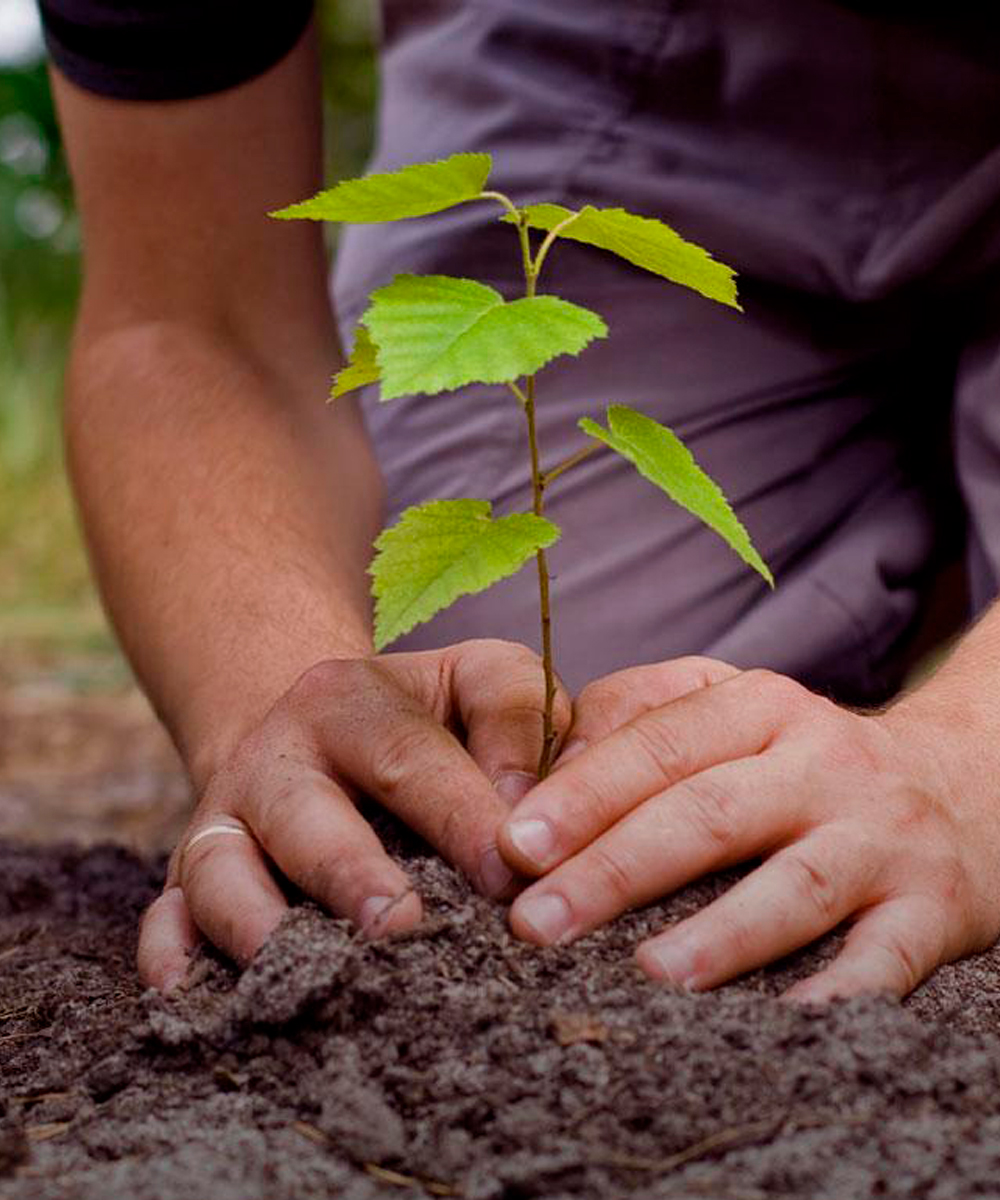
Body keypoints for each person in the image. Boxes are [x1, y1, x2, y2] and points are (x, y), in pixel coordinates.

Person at [39, 0, 1000, 1002]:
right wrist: (276, 709)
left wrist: (966, 756)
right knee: (518, 751)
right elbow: (190, 315)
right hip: (634, 67)